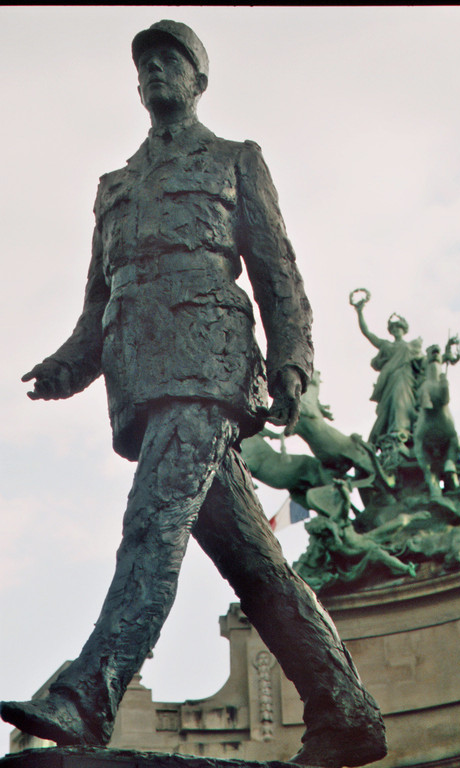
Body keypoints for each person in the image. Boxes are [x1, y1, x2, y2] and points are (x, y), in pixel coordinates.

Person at [1, 22, 386, 768]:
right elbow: (98, 301)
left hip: (209, 369)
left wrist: (291, 367)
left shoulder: (236, 161)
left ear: (198, 79)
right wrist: (66, 367)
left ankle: (87, 695)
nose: (154, 72)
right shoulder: (114, 188)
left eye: (170, 60)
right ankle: (347, 711)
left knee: (151, 526)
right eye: (144, 63)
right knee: (256, 563)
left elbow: (278, 275)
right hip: (143, 382)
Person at [352, 294, 424, 454]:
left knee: (401, 403)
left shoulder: (411, 346)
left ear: (404, 329)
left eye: (399, 327)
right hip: (389, 380)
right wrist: (360, 312)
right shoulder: (386, 345)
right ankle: (385, 435)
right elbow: (367, 333)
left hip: (405, 379)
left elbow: (424, 363)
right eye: (393, 328)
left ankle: (401, 431)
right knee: (387, 409)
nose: (396, 330)